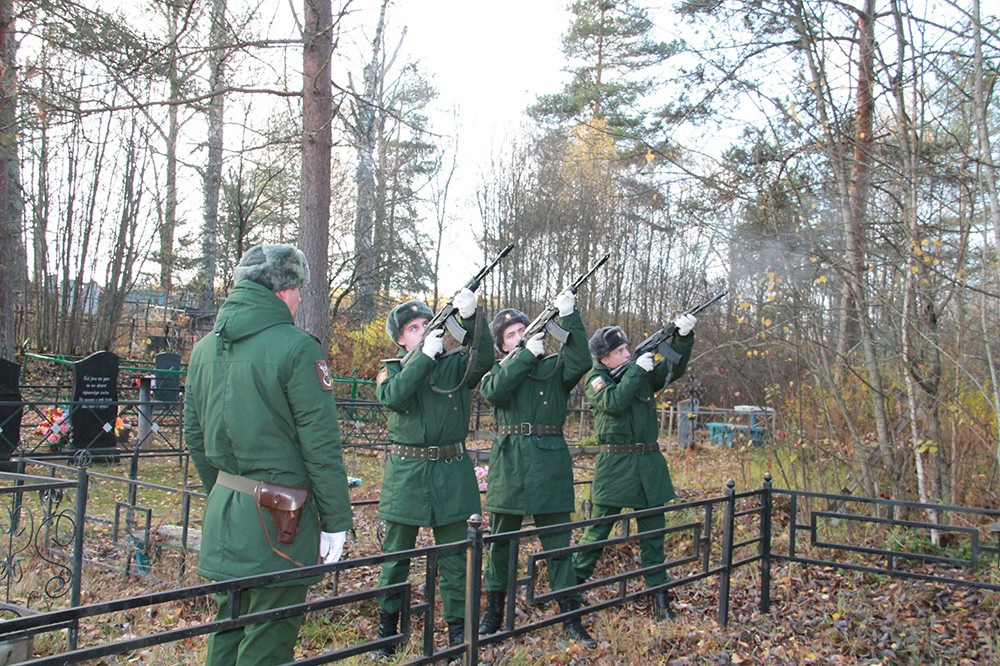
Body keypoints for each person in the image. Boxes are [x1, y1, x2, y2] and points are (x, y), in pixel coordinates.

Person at [184, 244, 354, 666]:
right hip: (281, 521)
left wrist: (229, 492)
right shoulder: (296, 348)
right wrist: (335, 521)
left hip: (228, 512)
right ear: (282, 290)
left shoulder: (204, 349)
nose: (299, 300)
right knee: (269, 639)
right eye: (298, 290)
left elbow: (194, 436)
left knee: (228, 628)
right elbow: (321, 445)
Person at [374, 289, 495, 653]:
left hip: (451, 470)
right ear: (400, 338)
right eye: (414, 327)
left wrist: (473, 319)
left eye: (428, 324)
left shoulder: (454, 364)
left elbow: (485, 358)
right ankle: (388, 632)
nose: (424, 330)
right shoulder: (391, 370)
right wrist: (424, 358)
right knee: (396, 557)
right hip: (407, 472)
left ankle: (458, 632)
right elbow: (395, 397)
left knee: (456, 556)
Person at [477, 290, 596, 646]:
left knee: (558, 542)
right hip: (510, 461)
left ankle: (571, 616)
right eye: (511, 335)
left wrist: (569, 316)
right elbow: (495, 393)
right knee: (500, 543)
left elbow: (580, 360)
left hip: (549, 461)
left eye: (523, 331)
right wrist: (525, 355)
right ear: (502, 345)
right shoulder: (496, 371)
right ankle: (494, 613)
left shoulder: (552, 368)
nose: (519, 337)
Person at [572, 313, 697, 621]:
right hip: (616, 465)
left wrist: (682, 337)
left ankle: (659, 600)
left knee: (654, 538)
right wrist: (636, 370)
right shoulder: (595, 378)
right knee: (596, 534)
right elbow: (613, 403)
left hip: (648, 465)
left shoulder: (636, 371)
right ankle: (569, 592)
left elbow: (672, 370)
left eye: (628, 349)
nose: (627, 354)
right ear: (604, 357)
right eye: (620, 352)